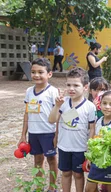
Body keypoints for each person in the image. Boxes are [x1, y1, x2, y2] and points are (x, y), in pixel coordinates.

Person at [49, 67, 96, 192]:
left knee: (78, 174)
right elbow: (52, 120)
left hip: (80, 147)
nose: (71, 88)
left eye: (76, 85)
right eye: (68, 85)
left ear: (85, 87)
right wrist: (57, 106)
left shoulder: (89, 107)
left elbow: (92, 129)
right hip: (64, 146)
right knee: (65, 173)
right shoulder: (62, 103)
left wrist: (90, 147)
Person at [18, 58, 58, 192]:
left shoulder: (53, 91)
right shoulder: (29, 91)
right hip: (34, 133)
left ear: (49, 74)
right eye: (33, 72)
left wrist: (56, 135)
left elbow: (58, 114)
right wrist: (23, 134)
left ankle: (52, 188)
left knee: (51, 160)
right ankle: (39, 186)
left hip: (49, 132)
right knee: (37, 161)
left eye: (40, 72)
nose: (36, 75)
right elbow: (26, 113)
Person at [85, 91, 111, 192]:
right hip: (97, 160)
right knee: (90, 187)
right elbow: (94, 139)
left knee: (110, 187)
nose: (107, 107)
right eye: (104, 103)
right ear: (100, 104)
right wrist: (90, 156)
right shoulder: (98, 120)